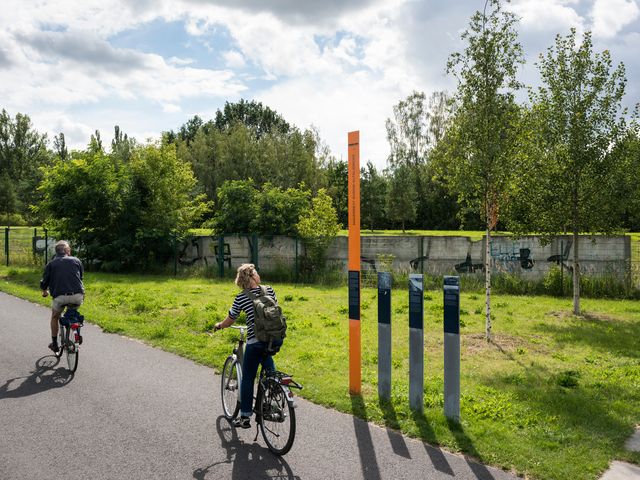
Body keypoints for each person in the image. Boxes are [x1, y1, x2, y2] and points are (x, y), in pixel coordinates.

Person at [214, 263, 283, 429]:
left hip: (255, 341)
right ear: (251, 277)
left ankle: (245, 417)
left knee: (247, 378)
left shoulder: (241, 297)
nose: (259, 275)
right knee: (269, 370)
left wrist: (220, 325)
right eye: (256, 273)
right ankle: (274, 391)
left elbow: (231, 319)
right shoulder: (270, 290)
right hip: (275, 339)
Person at [40, 240, 85, 353]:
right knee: (73, 311)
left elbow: (44, 282)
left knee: (55, 316)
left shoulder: (51, 264)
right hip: (78, 295)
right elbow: (81, 278)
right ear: (67, 250)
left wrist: (45, 291)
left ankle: (54, 344)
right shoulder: (76, 260)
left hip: (60, 297)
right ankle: (76, 331)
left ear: (56, 252)